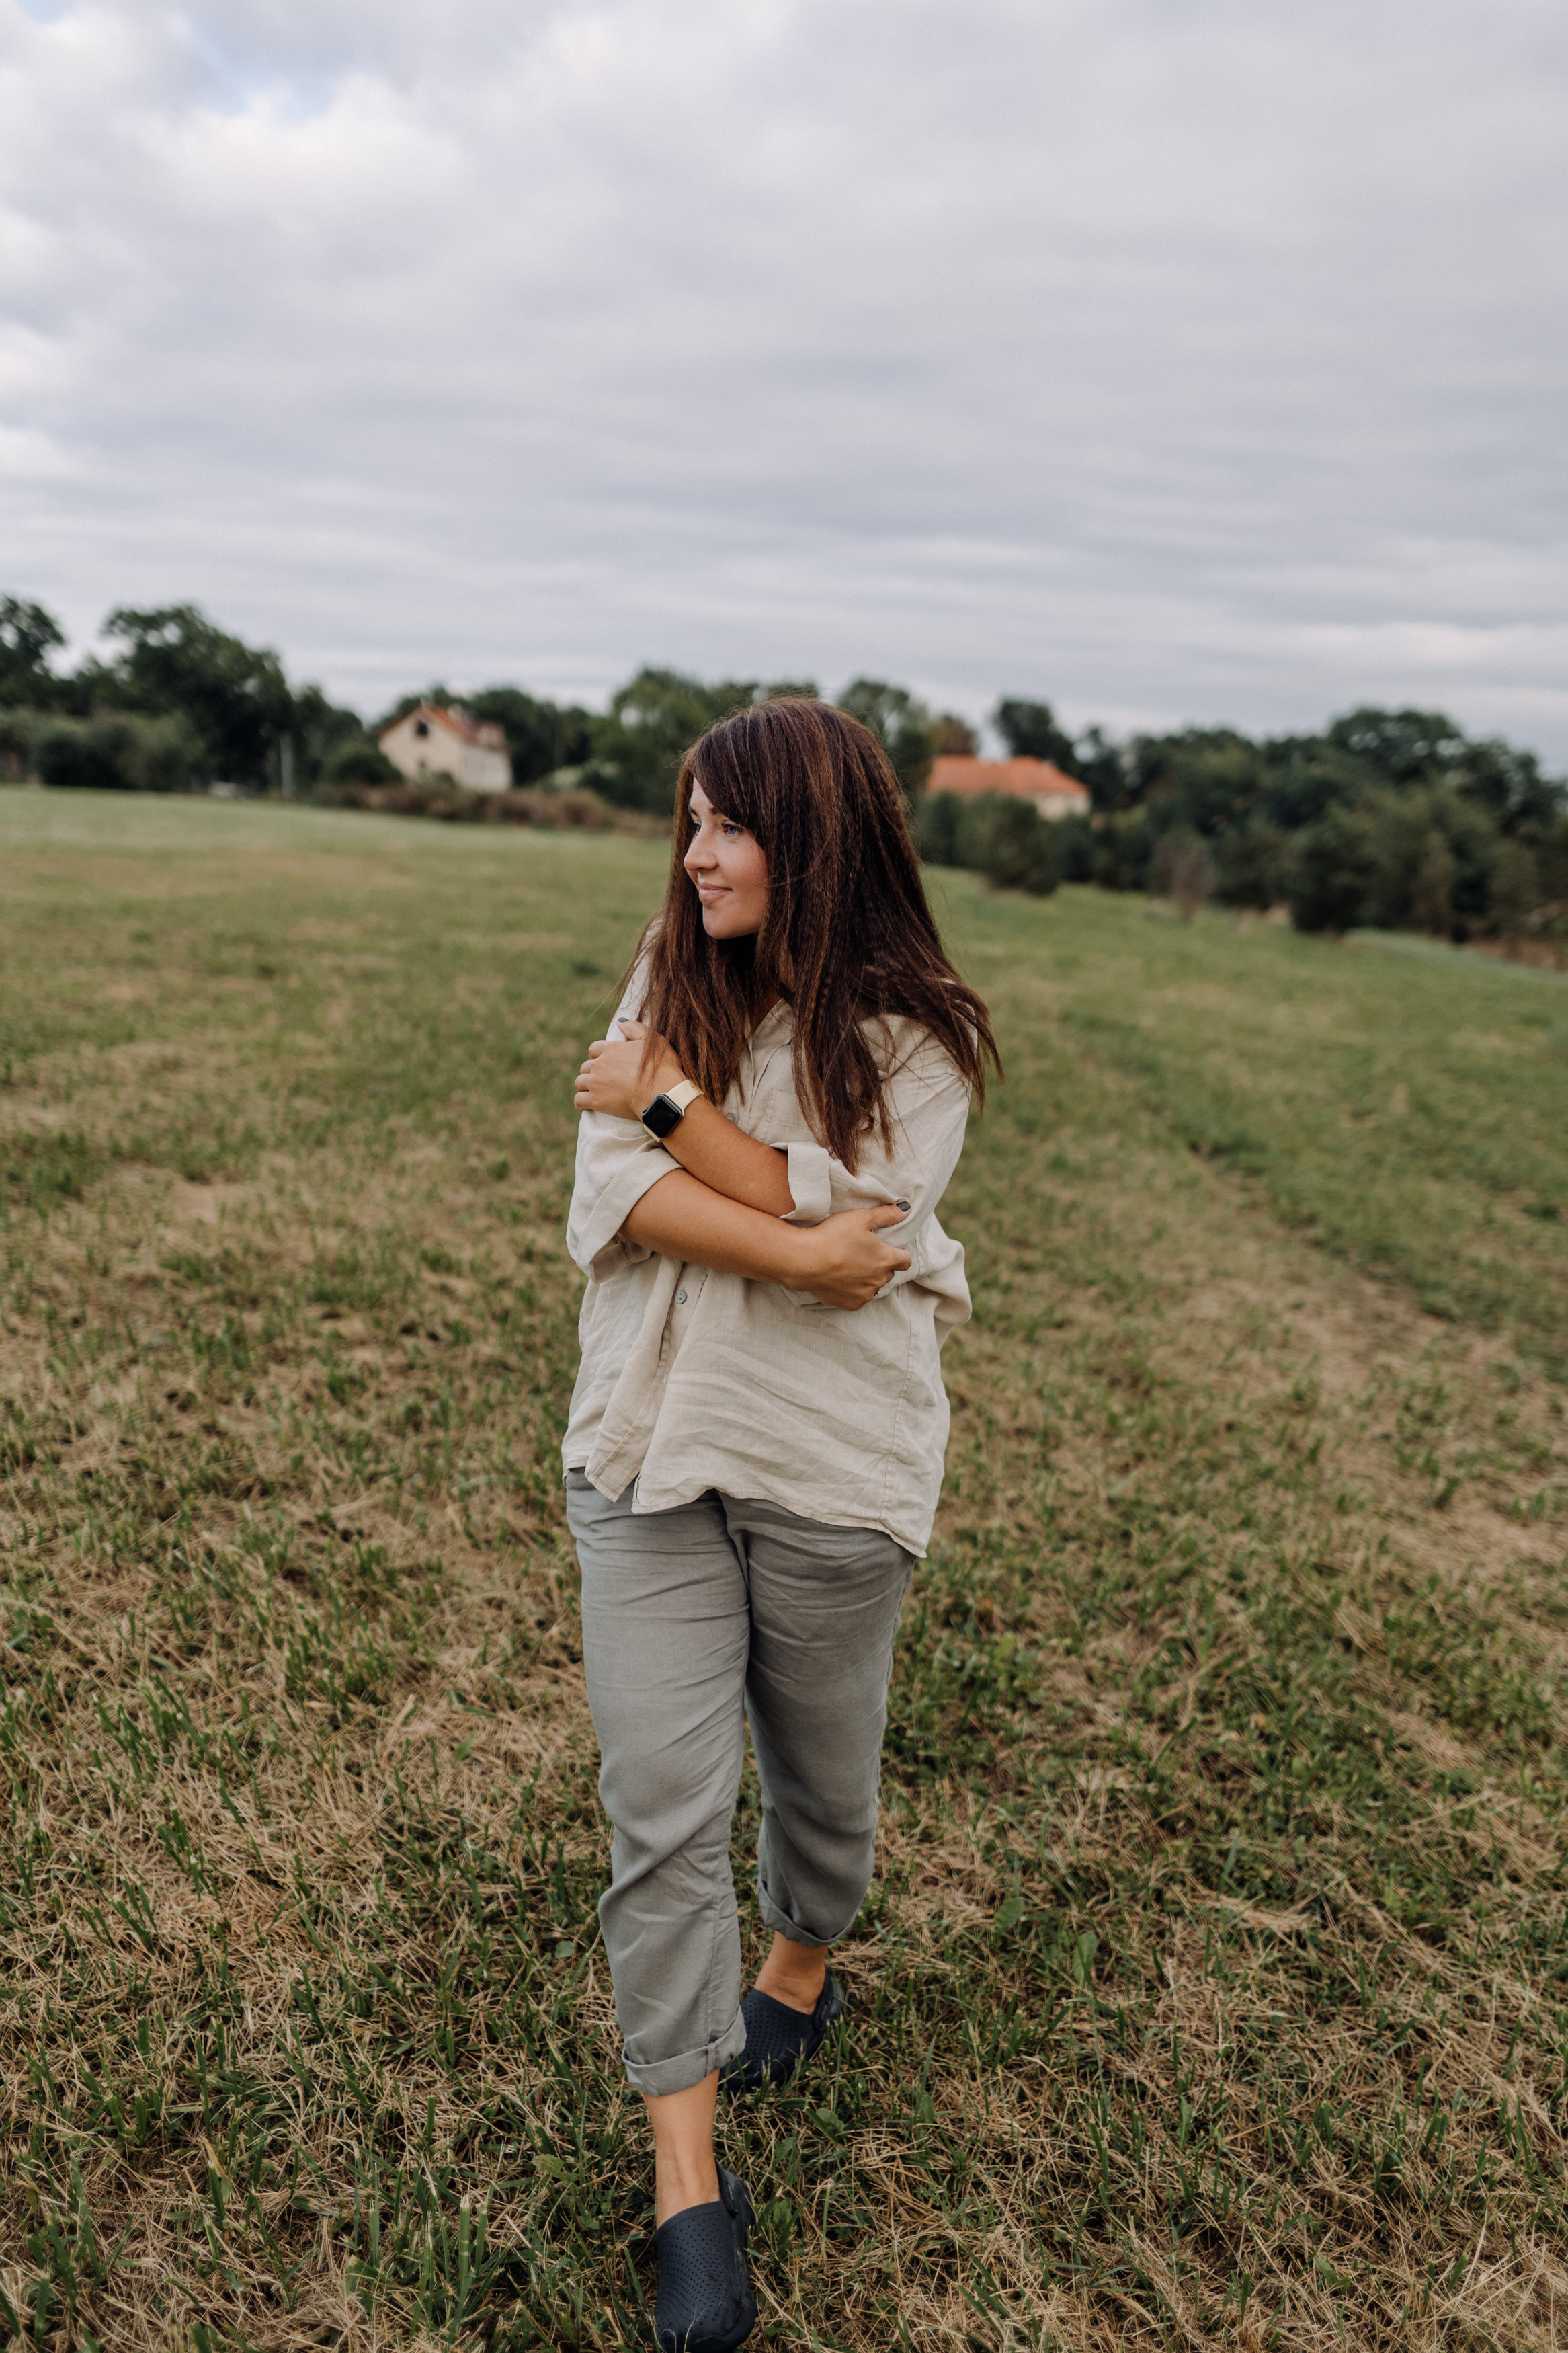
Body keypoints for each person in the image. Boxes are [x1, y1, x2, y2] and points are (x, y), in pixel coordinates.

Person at [565, 696, 999, 2352]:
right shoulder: (665, 980)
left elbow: (865, 1225)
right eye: (689, 821)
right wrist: (790, 1231)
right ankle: (691, 2188)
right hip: (646, 1452)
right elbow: (612, 1198)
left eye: (728, 824)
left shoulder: (919, 1037)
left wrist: (676, 1112)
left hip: (830, 1463)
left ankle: (804, 1961)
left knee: (822, 1782)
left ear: (812, 836)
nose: (695, 855)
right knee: (660, 1809)